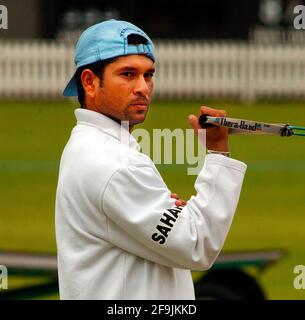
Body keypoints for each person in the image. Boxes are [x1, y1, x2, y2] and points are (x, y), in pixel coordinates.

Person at [55, 19, 247, 300]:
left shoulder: (94, 146)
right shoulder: (113, 163)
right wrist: (218, 152)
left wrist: (165, 212)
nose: (143, 87)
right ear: (89, 82)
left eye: (148, 75)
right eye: (128, 74)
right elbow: (197, 243)